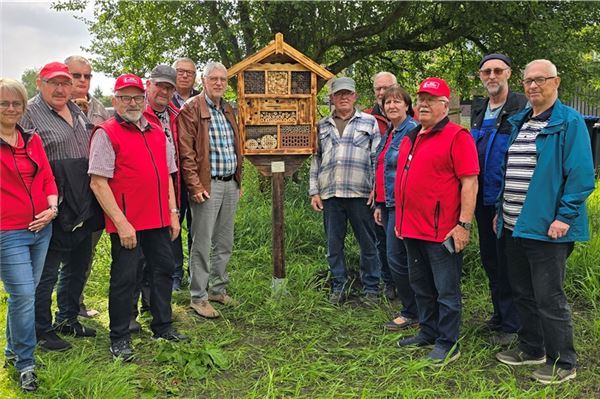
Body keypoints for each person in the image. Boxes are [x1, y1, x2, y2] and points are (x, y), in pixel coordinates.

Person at [494, 60, 595, 384]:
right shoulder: (521, 120)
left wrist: (564, 217)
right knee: (522, 291)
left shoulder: (570, 122)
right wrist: (501, 208)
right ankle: (532, 348)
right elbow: (512, 171)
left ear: (556, 82)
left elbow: (581, 175)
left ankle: (563, 362)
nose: (533, 86)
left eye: (540, 80)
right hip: (514, 224)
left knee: (549, 297)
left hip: (547, 228)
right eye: (528, 81)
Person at [89, 73, 188, 361]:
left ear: (143, 99)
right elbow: (98, 182)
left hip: (158, 219)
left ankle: (162, 325)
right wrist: (121, 224)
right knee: (125, 278)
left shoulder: (157, 131)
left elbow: (168, 175)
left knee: (163, 270)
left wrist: (173, 213)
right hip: (128, 223)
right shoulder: (106, 133)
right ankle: (119, 336)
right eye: (125, 97)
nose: (131, 102)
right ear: (114, 100)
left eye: (136, 97)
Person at [394, 77, 479, 364]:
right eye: (420, 99)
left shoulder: (458, 136)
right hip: (412, 228)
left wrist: (464, 225)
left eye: (430, 100)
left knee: (446, 291)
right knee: (421, 287)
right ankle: (428, 332)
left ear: (445, 105)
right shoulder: (412, 136)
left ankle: (448, 342)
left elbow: (470, 183)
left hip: (442, 231)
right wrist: (401, 220)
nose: (423, 104)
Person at [20, 62, 99, 352]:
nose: (61, 88)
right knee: (47, 271)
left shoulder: (77, 110)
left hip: (83, 202)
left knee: (78, 265)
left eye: (65, 83)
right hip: (53, 204)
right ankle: (41, 330)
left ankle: (67, 318)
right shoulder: (29, 113)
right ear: (40, 84)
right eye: (54, 83)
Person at [0, 78, 58, 392]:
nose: (11, 109)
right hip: (8, 233)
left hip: (42, 229)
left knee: (26, 295)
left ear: (24, 107)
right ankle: (26, 363)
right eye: (4, 103)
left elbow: (47, 177)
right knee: (23, 296)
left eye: (16, 103)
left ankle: (11, 351)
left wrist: (52, 209)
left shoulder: (31, 139)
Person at [178, 61, 242, 319]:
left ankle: (217, 289)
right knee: (202, 243)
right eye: (213, 78)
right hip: (207, 185)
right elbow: (186, 153)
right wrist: (194, 185)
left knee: (225, 242)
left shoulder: (228, 109)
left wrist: (239, 181)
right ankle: (198, 297)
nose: (218, 83)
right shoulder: (192, 108)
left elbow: (235, 148)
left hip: (230, 184)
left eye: (223, 79)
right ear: (203, 81)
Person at [471, 53, 527, 345]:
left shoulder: (520, 107)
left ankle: (514, 324)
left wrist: (502, 201)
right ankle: (500, 314)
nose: (491, 76)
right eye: (486, 72)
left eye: (497, 71)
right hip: (480, 198)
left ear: (508, 73)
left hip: (505, 198)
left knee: (508, 262)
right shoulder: (480, 109)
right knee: (490, 260)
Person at [309, 77, 381, 305]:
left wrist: (377, 190)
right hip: (330, 194)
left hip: (360, 193)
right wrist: (314, 191)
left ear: (355, 96)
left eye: (347, 94)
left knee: (368, 243)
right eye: (339, 94)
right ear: (331, 98)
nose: (343, 98)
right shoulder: (321, 125)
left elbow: (377, 159)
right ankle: (338, 286)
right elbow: (316, 159)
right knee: (333, 245)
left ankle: (371, 288)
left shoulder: (369, 122)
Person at [128, 64, 181, 333]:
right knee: (135, 263)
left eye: (169, 87)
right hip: (138, 202)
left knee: (162, 262)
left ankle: (159, 315)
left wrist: (174, 209)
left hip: (168, 195)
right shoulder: (136, 115)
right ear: (149, 85)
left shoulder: (175, 115)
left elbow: (170, 166)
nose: (164, 91)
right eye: (160, 85)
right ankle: (130, 316)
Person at [65, 55, 111, 319]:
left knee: (85, 254)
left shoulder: (99, 110)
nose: (82, 81)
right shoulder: (53, 107)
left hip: (92, 193)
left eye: (87, 76)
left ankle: (76, 305)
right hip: (62, 195)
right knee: (59, 258)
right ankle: (52, 314)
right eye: (76, 75)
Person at [372, 85, 419, 329]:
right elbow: (382, 168)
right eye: (387, 102)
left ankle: (413, 310)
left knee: (398, 257)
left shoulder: (412, 131)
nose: (391, 106)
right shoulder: (391, 132)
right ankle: (415, 307)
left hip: (403, 206)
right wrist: (379, 202)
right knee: (396, 257)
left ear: (407, 106)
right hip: (387, 204)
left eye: (397, 102)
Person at [365, 71, 397, 300]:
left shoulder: (411, 118)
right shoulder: (367, 117)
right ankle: (389, 283)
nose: (382, 92)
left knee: (400, 241)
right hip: (377, 193)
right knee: (381, 239)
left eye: (387, 88)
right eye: (378, 89)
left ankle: (405, 283)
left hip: (401, 193)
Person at [171, 57, 200, 289]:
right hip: (173, 173)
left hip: (198, 172)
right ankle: (174, 274)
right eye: (180, 71)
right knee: (174, 223)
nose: (184, 76)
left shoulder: (202, 99)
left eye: (189, 73)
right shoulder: (165, 98)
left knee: (197, 225)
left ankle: (196, 272)